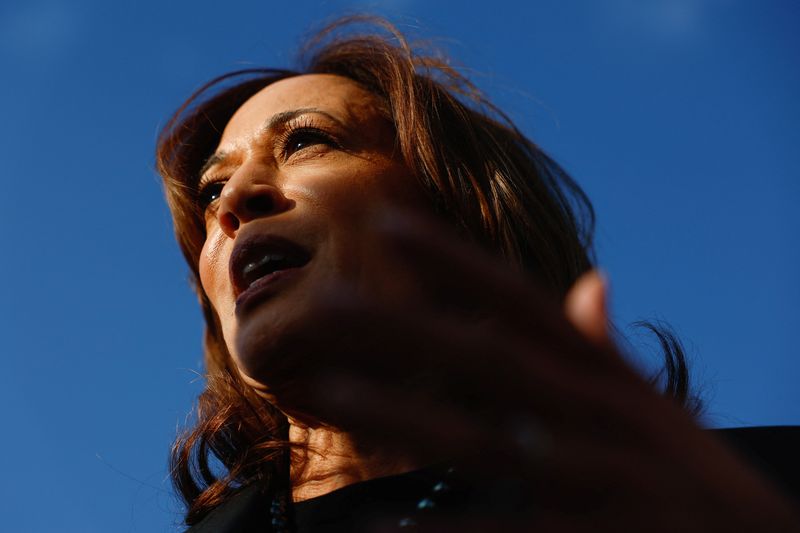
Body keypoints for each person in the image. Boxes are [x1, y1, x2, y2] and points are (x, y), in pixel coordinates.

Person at [156, 16, 799, 532]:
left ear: (462, 215)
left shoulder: (739, 496)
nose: (236, 198)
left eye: (304, 142)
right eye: (212, 191)